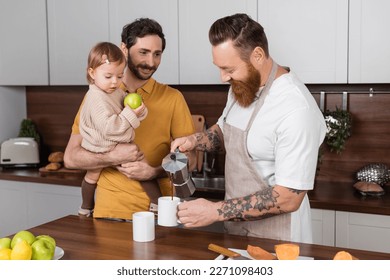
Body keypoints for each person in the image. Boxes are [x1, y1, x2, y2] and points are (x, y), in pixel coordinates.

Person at [171, 13, 326, 243]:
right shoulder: (241, 86)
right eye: (220, 68)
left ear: (258, 55)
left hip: (279, 237)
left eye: (229, 69)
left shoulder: (295, 108)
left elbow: (288, 198)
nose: (223, 77)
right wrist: (195, 141)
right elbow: (225, 131)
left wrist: (215, 211)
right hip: (237, 230)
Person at [64, 18, 195, 220]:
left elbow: (191, 161)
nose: (151, 62)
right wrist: (113, 156)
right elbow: (71, 158)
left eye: (157, 54)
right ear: (124, 49)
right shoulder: (98, 97)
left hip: (160, 216)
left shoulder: (173, 98)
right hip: (109, 213)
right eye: (143, 52)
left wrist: (152, 172)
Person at [77, 41, 148, 217]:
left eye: (119, 75)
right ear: (92, 73)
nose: (115, 82)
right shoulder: (95, 98)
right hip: (101, 143)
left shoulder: (113, 90)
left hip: (109, 141)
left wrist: (140, 111)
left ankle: (85, 208)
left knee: (93, 175)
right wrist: (132, 114)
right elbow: (110, 128)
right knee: (138, 161)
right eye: (108, 76)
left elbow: (126, 104)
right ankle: (155, 203)